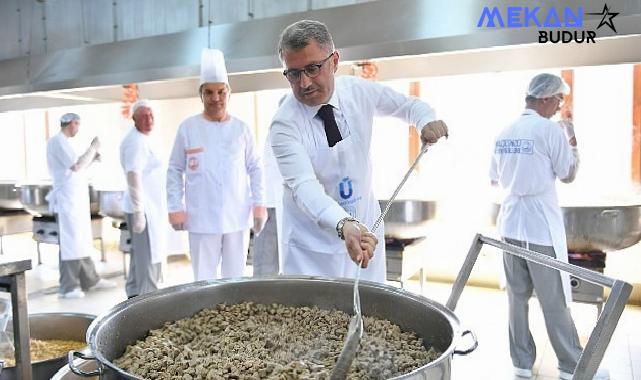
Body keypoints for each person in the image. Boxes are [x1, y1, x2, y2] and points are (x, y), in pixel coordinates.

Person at [271, 20, 448, 283]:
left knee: (369, 313)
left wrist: (427, 120)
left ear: (334, 61)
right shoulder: (284, 124)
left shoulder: (358, 92)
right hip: (312, 248)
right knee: (315, 320)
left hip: (366, 232)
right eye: (293, 73)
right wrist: (344, 224)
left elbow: (410, 107)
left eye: (312, 68)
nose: (304, 82)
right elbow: (304, 187)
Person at [490, 73, 608, 380]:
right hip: (539, 225)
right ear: (544, 98)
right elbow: (567, 174)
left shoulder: (504, 131)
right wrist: (572, 141)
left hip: (511, 223)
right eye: (558, 99)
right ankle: (572, 366)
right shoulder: (549, 130)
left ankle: (521, 363)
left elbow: (494, 178)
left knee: (517, 299)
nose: (560, 106)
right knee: (553, 298)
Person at [167, 49, 266, 281]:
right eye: (209, 92)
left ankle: (235, 318)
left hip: (237, 215)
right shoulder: (188, 128)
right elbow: (174, 170)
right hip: (200, 218)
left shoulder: (241, 129)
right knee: (203, 279)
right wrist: (175, 208)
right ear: (201, 95)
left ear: (228, 93)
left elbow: (256, 168)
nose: (216, 98)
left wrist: (259, 206)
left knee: (236, 279)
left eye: (221, 91)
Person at [46, 113, 115, 299]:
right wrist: (92, 148)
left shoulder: (66, 143)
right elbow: (76, 166)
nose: (78, 128)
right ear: (69, 123)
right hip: (66, 202)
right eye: (77, 124)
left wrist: (93, 158)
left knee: (81, 241)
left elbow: (79, 167)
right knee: (71, 243)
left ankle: (90, 279)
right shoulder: (56, 142)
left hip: (76, 201)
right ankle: (68, 287)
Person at [119, 100, 168, 298]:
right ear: (134, 119)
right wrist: (139, 211)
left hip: (151, 207)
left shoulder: (144, 138)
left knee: (140, 257)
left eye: (151, 116)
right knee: (146, 259)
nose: (149, 120)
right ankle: (148, 301)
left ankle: (132, 294)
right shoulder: (135, 142)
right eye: (143, 116)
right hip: (142, 209)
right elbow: (134, 176)